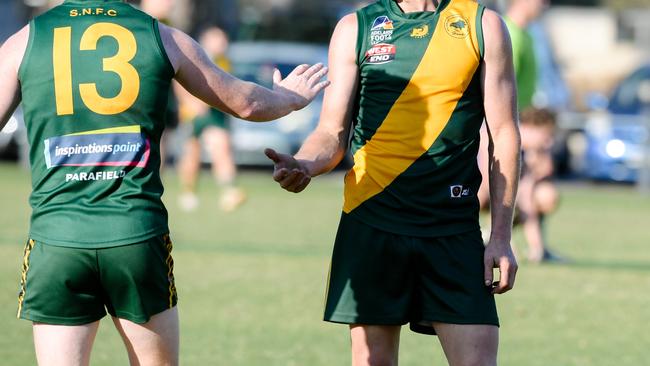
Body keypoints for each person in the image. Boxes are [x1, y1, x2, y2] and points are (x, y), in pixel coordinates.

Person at [0, 0, 328, 364]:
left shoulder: (27, 39)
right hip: (135, 236)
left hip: (57, 240)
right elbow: (245, 103)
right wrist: (289, 97)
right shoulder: (160, 35)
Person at [265, 0, 521, 364]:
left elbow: (504, 133)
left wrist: (501, 236)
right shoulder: (357, 28)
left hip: (452, 228)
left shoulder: (484, 26)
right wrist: (305, 164)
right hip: (372, 223)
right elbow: (332, 132)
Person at [177, 27, 246, 212]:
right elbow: (179, 81)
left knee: (221, 146)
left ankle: (229, 191)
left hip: (215, 114)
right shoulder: (195, 56)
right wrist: (190, 102)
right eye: (218, 39)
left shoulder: (225, 60)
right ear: (206, 41)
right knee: (192, 154)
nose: (222, 43)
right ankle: (188, 192)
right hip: (193, 114)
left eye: (223, 40)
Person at [503, 0, 549, 110]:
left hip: (521, 117)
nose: (546, 4)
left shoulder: (527, 35)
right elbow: (503, 89)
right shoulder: (509, 35)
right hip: (513, 119)